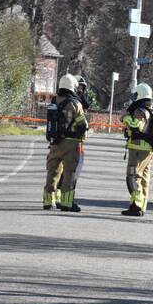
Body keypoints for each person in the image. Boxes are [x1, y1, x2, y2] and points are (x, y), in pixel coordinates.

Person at [43, 74, 89, 212]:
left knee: (53, 172)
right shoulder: (76, 103)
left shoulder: (54, 101)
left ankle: (48, 201)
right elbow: (83, 124)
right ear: (73, 86)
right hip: (72, 143)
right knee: (69, 173)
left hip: (55, 142)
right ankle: (66, 203)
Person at [121, 83, 153, 217]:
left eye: (135, 95)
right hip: (146, 149)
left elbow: (137, 126)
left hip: (138, 149)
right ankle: (140, 205)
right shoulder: (148, 109)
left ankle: (136, 205)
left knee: (132, 176)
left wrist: (125, 116)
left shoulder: (140, 111)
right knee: (143, 178)